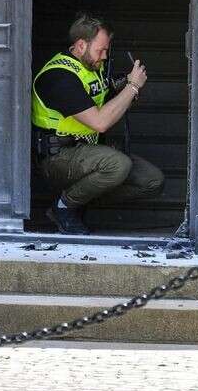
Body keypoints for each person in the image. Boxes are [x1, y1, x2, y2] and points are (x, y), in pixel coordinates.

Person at [30, 14, 164, 235]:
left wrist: (123, 90)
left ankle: (79, 197)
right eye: (100, 50)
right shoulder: (59, 76)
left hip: (89, 153)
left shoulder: (92, 67)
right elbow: (100, 122)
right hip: (58, 158)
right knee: (117, 165)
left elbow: (106, 100)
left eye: (106, 50)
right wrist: (132, 88)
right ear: (81, 45)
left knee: (152, 180)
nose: (104, 56)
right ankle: (63, 208)